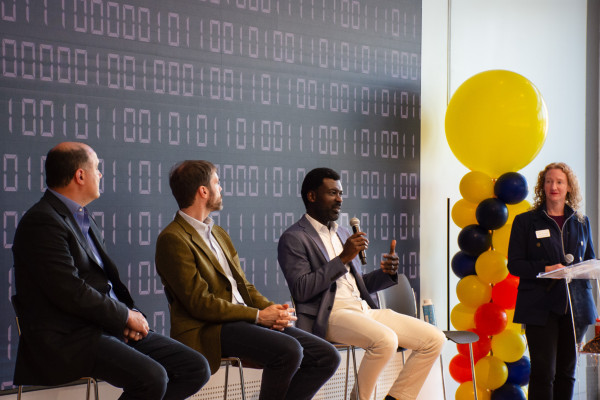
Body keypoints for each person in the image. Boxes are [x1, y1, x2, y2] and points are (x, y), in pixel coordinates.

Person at [11, 142, 210, 400]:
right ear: (80, 175)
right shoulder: (42, 221)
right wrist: (124, 317)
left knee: (195, 368)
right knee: (152, 378)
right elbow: (70, 291)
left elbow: (102, 283)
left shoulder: (84, 218)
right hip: (68, 338)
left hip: (104, 325)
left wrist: (127, 316)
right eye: (97, 168)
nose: (101, 174)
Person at [155, 160, 341, 400]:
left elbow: (243, 286)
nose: (221, 189)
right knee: (288, 351)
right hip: (209, 328)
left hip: (243, 319)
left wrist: (270, 308)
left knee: (326, 356)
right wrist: (258, 316)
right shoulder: (173, 238)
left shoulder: (218, 233)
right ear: (203, 191)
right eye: (217, 183)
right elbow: (200, 304)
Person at [277, 167, 446, 400]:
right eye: (332, 193)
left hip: (363, 310)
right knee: (385, 340)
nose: (340, 199)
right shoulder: (294, 237)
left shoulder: (342, 232)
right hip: (329, 316)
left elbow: (356, 285)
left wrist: (385, 274)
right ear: (312, 196)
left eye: (341, 193)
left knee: (433, 339)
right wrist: (344, 258)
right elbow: (302, 289)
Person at [508, 162, 597, 400]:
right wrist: (546, 268)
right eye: (548, 181)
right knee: (543, 372)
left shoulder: (581, 221)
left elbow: (590, 259)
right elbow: (514, 265)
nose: (553, 187)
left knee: (567, 373)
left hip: (574, 307)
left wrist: (585, 268)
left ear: (568, 187)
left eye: (559, 182)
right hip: (540, 306)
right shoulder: (526, 222)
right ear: (542, 186)